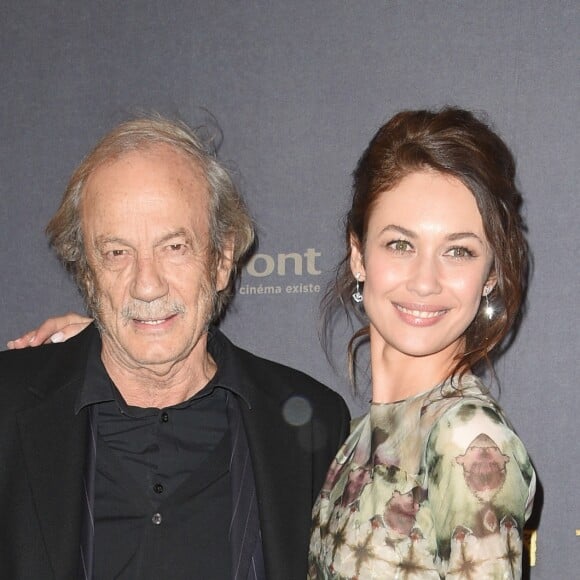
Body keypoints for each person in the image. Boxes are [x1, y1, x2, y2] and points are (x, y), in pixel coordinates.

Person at [0, 115, 350, 580]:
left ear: (222, 260)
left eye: (175, 247)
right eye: (116, 253)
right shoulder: (9, 406)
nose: (147, 285)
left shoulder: (314, 426)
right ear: (87, 274)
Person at [308, 108, 536, 578]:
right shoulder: (356, 438)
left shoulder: (469, 441)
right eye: (400, 244)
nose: (425, 282)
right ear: (358, 255)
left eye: (458, 251)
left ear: (490, 275)